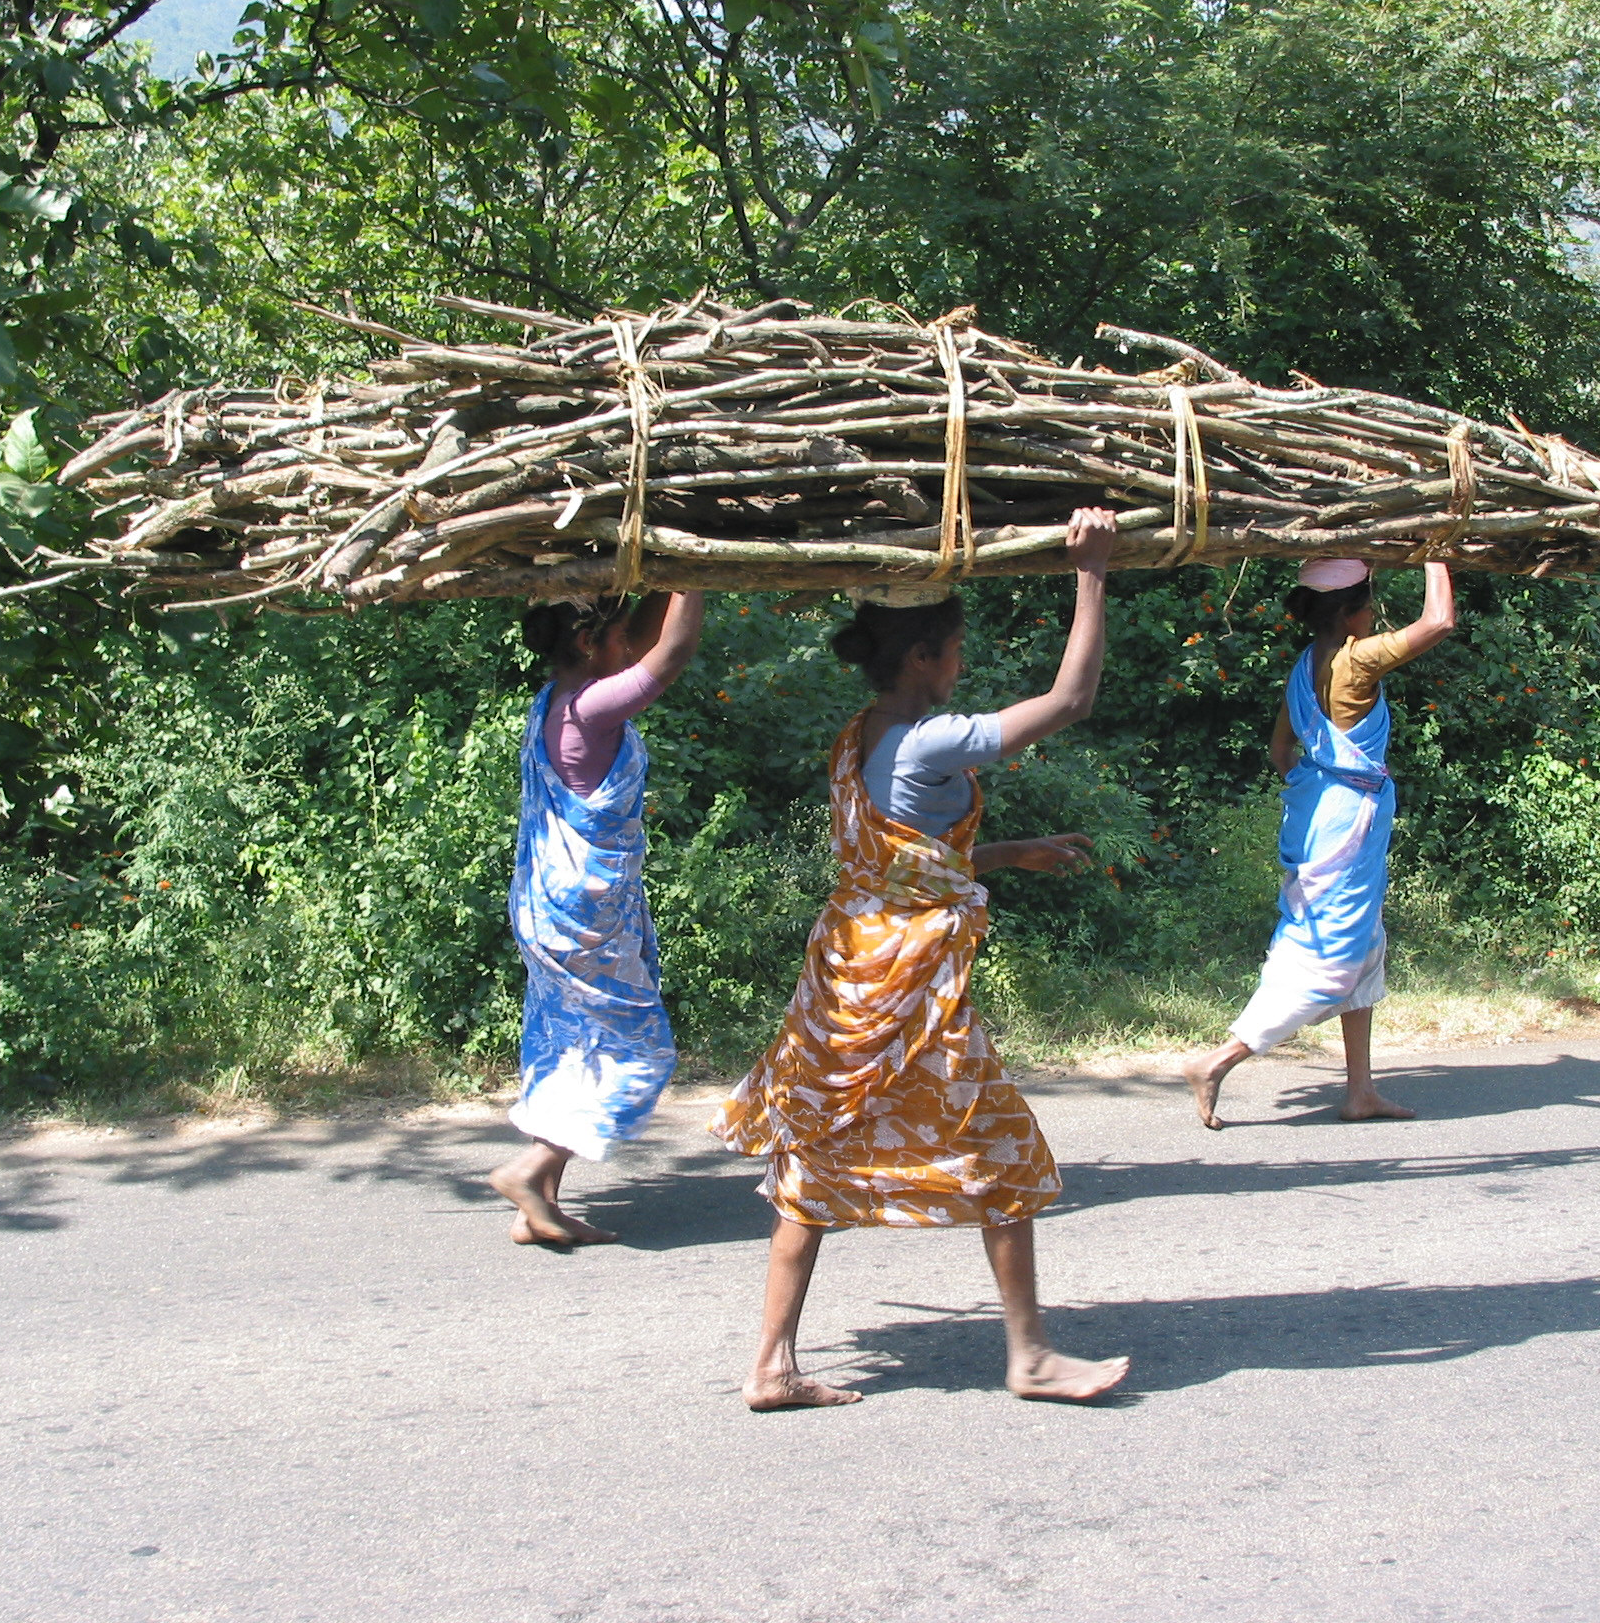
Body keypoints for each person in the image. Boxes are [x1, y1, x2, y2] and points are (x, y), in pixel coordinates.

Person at [711, 507, 1131, 1410]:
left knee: (815, 1150)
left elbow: (895, 866)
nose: (962, 665)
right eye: (954, 650)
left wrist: (1005, 854)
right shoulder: (932, 741)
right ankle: (1029, 1357)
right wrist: (1090, 571)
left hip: (846, 979)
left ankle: (772, 1364)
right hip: (912, 991)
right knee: (1002, 1146)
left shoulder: (860, 736)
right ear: (921, 657)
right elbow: (1070, 702)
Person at [1183, 558, 1455, 1129]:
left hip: (1317, 819)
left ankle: (1360, 1092)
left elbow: (1283, 754)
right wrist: (1437, 550)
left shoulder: (1305, 667)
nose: (1376, 613)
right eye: (1372, 602)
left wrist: (1322, 785)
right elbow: (1438, 622)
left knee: (1364, 946)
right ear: (1352, 610)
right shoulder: (1356, 661)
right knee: (1333, 958)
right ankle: (1218, 1061)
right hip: (1347, 828)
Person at [492, 590, 707, 1247]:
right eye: (615, 641)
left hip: (546, 906)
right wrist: (697, 575)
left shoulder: (552, 703)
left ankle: (541, 1206)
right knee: (639, 1052)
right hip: (582, 918)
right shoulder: (590, 711)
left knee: (567, 1044)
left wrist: (659, 581)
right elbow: (667, 658)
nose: (627, 652)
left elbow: (641, 642)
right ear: (590, 645)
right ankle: (532, 1171)